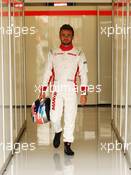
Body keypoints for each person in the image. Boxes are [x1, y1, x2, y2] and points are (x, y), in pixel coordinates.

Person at [39, 24, 88, 156]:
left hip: (71, 88)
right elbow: (47, 73)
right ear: (60, 36)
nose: (66, 37)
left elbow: (84, 75)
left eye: (68, 35)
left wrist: (84, 93)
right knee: (54, 116)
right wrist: (43, 90)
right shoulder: (52, 52)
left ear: (72, 36)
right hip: (56, 88)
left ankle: (67, 143)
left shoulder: (79, 53)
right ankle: (58, 130)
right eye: (63, 35)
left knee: (70, 117)